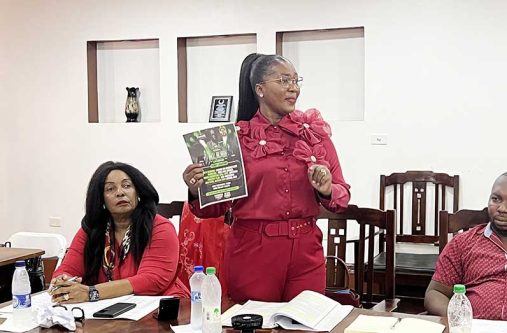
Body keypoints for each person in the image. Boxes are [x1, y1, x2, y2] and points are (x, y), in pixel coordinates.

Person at [182, 53, 351, 302]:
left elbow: (342, 196)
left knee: (305, 325)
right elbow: (213, 209)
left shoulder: (313, 133)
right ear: (259, 89)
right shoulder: (233, 139)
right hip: (253, 251)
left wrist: (326, 190)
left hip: (306, 250)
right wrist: (196, 190)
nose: (293, 88)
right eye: (284, 80)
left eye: (296, 80)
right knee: (253, 324)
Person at [49, 161, 189, 304]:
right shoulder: (92, 229)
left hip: (158, 308)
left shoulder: (160, 227)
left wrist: (92, 292)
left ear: (138, 192)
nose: (120, 192)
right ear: (101, 198)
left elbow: (151, 280)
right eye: (110, 189)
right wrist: (63, 282)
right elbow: (66, 269)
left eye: (127, 186)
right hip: (107, 310)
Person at [425, 172, 507, 320]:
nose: (502, 208)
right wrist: (458, 320)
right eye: (496, 199)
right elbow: (435, 294)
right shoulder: (463, 243)